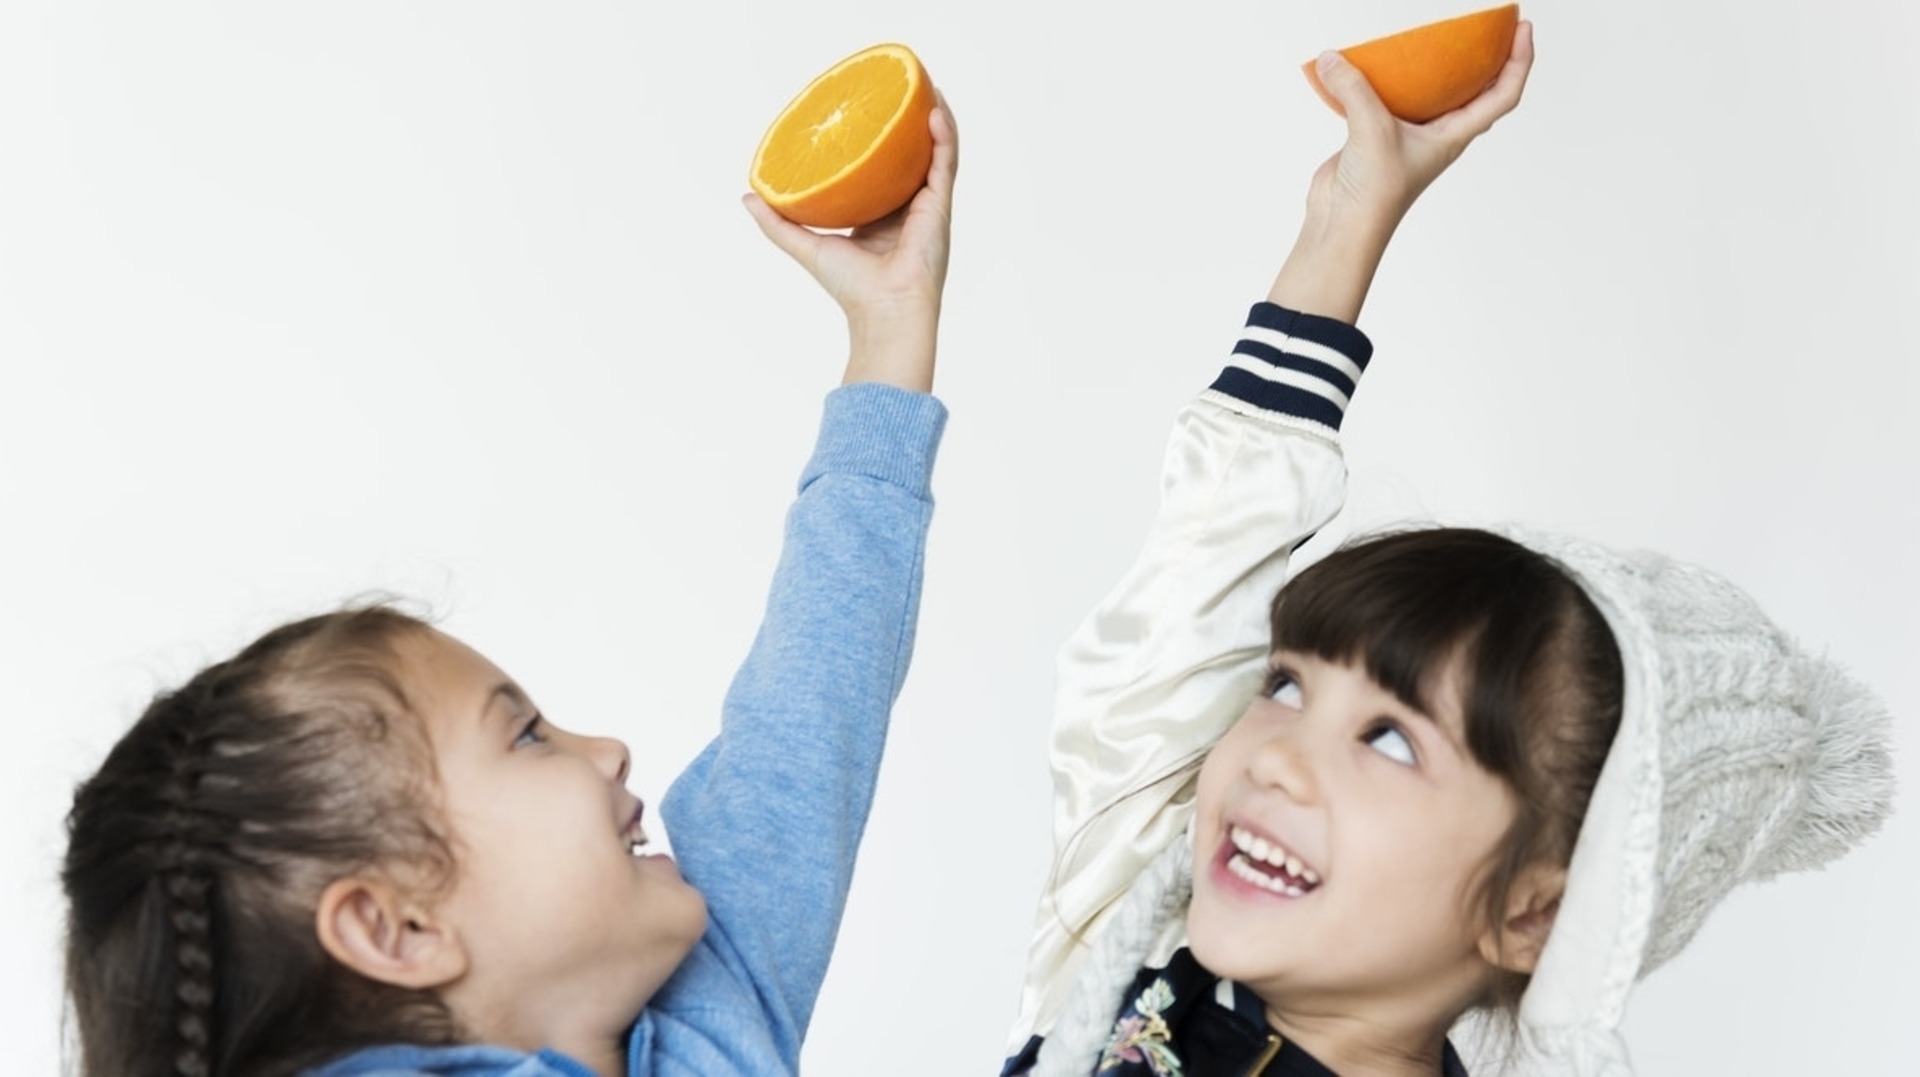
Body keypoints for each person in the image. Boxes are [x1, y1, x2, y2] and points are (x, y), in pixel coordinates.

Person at [1004, 29, 1893, 1076]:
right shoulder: (1133, 980)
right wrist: (1345, 225)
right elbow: (1172, 633)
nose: (1276, 754)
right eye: (1287, 684)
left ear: (1534, 916)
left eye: (1388, 739)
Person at [60, 99, 961, 1077]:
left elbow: (808, 714)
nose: (611, 750)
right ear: (397, 926)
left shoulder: (715, 1012)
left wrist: (888, 328)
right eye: (526, 736)